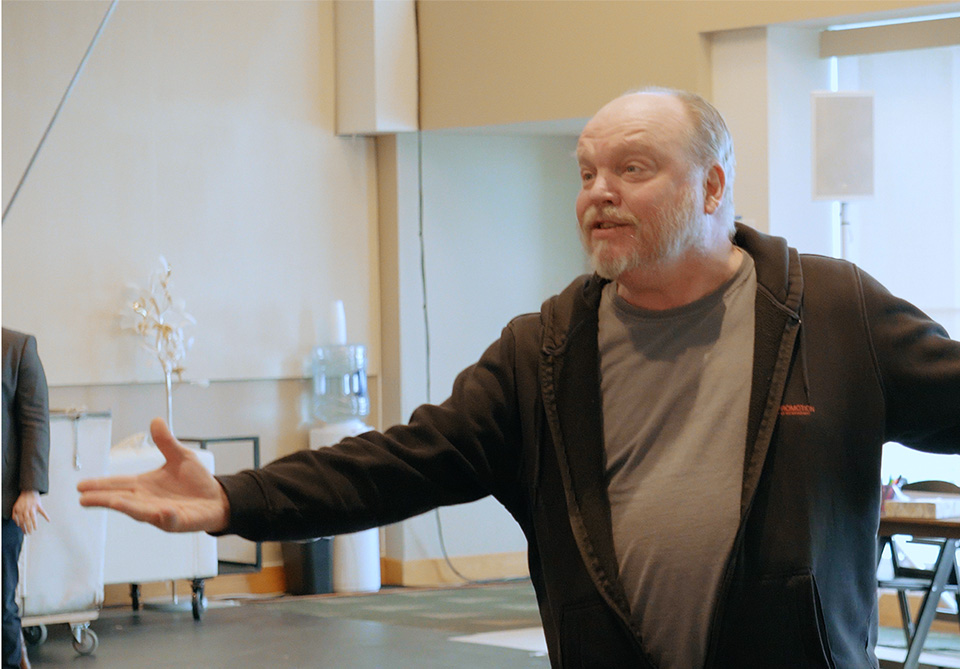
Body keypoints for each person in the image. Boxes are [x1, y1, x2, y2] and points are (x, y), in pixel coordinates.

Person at [78, 88, 960, 668]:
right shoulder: (546, 350)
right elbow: (400, 461)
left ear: (712, 185)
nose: (599, 191)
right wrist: (237, 497)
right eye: (587, 172)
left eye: (633, 169)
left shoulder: (831, 310)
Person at [3, 329, 51, 669]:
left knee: (1, 603)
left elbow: (35, 422)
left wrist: (30, 490)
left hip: (3, 504)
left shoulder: (16, 348)